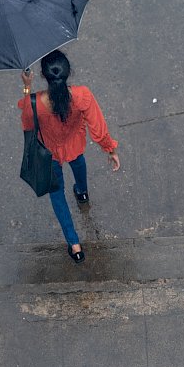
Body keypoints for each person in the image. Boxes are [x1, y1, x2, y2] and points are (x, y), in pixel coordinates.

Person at [18, 50, 120, 263]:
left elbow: (28, 126)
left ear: (43, 75)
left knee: (57, 194)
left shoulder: (33, 103)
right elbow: (98, 127)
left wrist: (27, 86)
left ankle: (75, 245)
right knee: (79, 164)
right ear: (68, 72)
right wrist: (110, 150)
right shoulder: (82, 95)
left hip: (50, 153)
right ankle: (82, 193)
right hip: (74, 144)